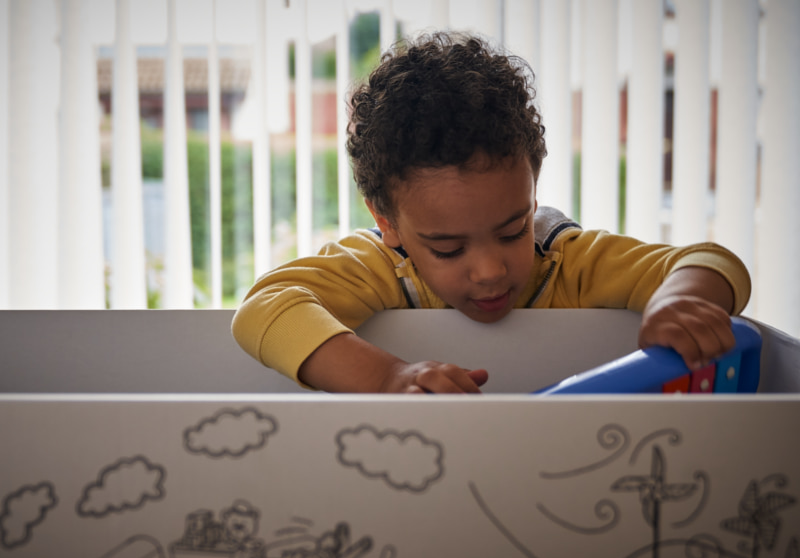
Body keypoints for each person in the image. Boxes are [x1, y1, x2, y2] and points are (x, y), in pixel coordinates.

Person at [231, 32, 750, 394]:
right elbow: (264, 308)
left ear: (532, 193)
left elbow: (710, 261)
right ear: (388, 223)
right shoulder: (380, 267)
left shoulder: (566, 260)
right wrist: (385, 377)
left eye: (512, 230)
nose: (489, 270)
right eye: (448, 248)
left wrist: (681, 299)